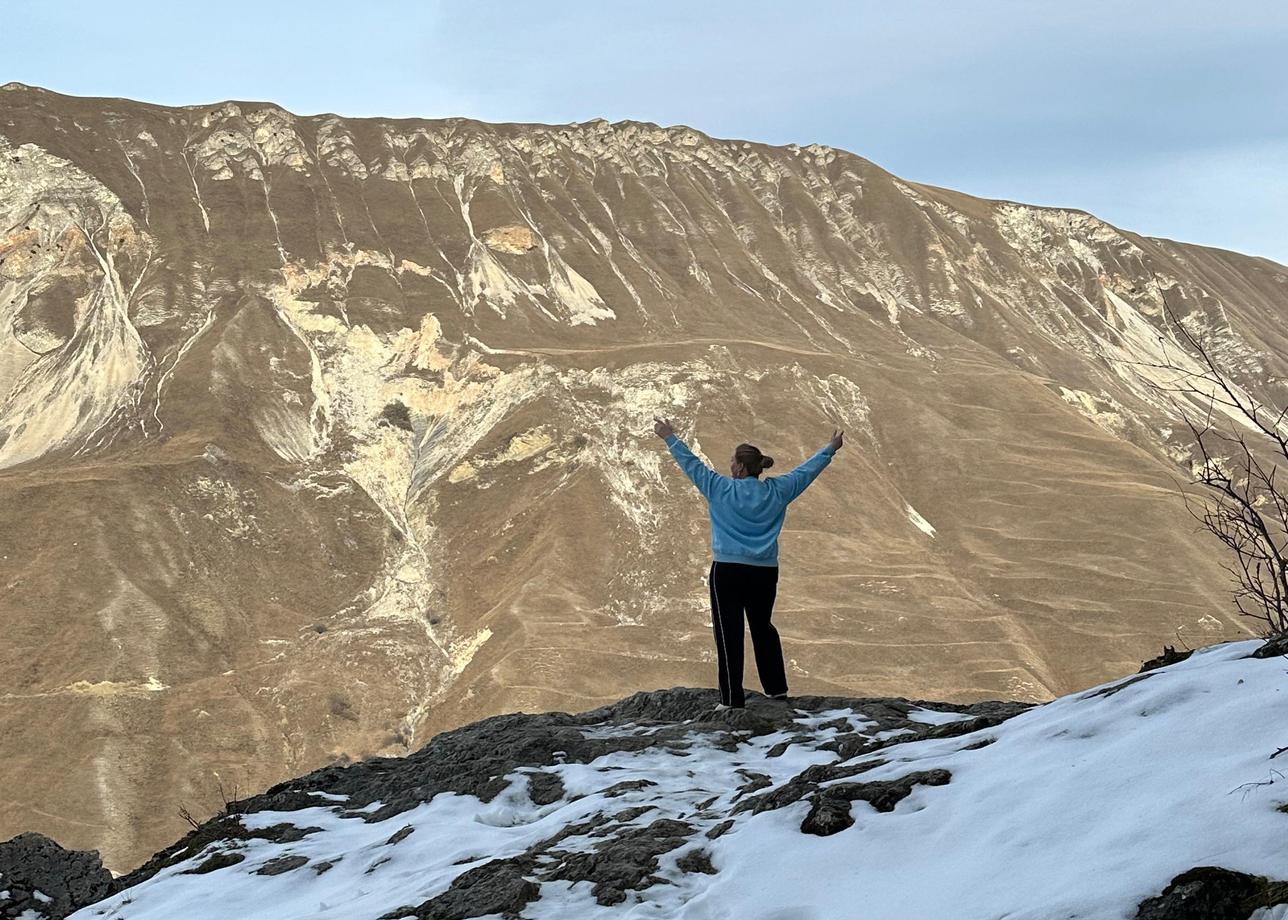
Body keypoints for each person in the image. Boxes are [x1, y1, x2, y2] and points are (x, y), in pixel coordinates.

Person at [653, 416, 843, 711]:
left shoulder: (719, 488)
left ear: (740, 468)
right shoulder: (777, 491)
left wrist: (669, 437)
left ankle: (732, 701)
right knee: (762, 627)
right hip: (765, 572)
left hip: (727, 571)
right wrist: (830, 449)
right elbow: (806, 473)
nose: (729, 466)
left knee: (729, 634)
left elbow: (690, 464)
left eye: (732, 461)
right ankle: (777, 690)